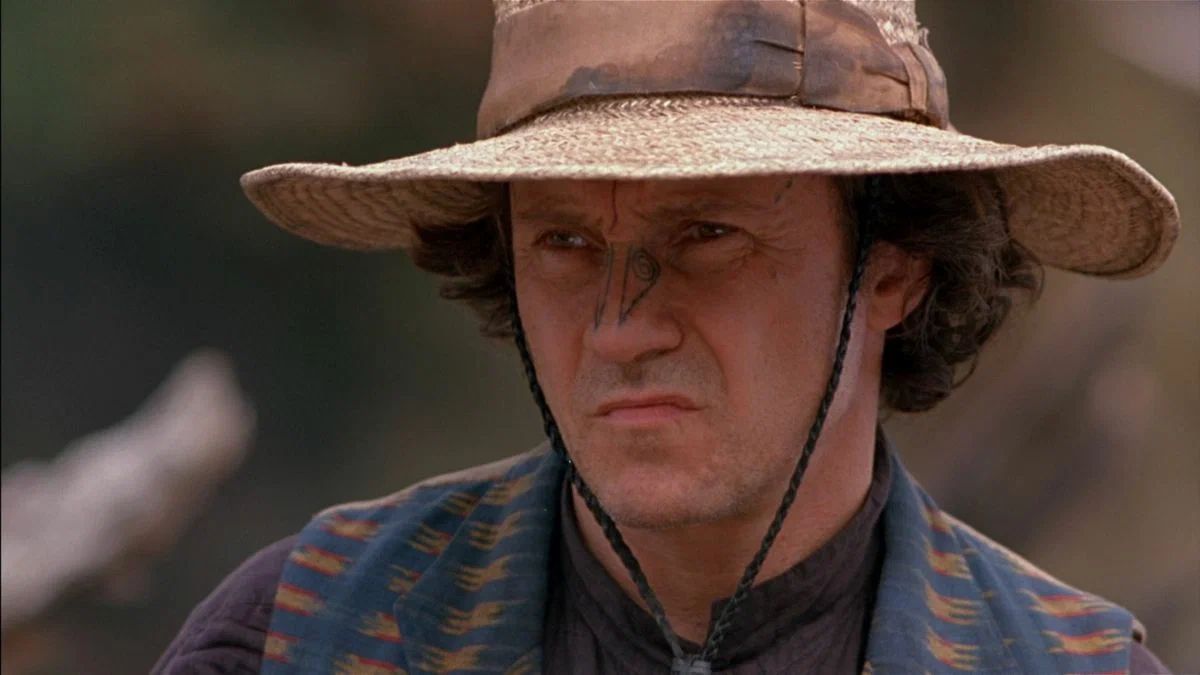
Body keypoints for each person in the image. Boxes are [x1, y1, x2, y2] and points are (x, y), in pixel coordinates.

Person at [155, 0, 1179, 673]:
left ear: (892, 270)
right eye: (563, 243)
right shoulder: (300, 636)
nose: (622, 327)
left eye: (706, 235)